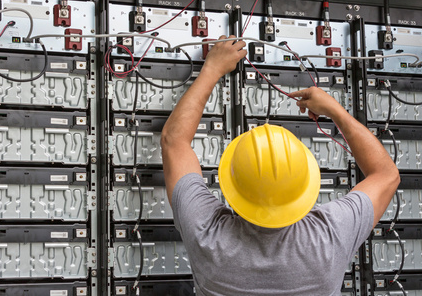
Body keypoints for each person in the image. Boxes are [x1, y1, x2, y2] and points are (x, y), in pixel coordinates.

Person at [160, 35, 400, 296]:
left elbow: (174, 142)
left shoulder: (207, 234)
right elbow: (386, 175)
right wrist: (336, 111)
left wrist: (212, 69)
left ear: (231, 187)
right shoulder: (330, 236)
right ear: (305, 184)